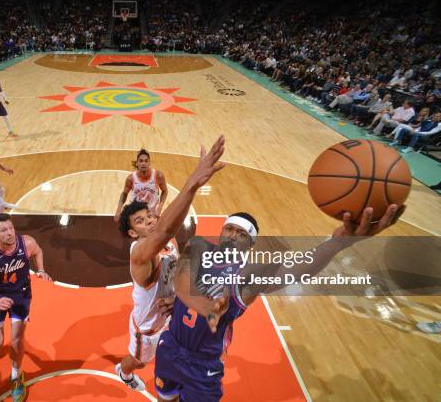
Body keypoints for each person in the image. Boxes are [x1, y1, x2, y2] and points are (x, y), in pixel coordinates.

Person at [154, 204, 404, 401]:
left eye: (242, 235)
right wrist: (176, 297)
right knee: (165, 397)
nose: (233, 236)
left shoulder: (248, 274)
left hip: (202, 365)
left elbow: (295, 269)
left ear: (249, 245)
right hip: (170, 346)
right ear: (221, 231)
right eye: (230, 229)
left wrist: (336, 243)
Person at [115, 136, 226, 391]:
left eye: (149, 216)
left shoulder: (168, 242)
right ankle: (123, 371)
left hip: (170, 315)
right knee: (139, 362)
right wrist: (193, 184)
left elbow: (171, 232)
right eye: (140, 221)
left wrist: (178, 296)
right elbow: (164, 231)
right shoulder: (140, 254)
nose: (150, 220)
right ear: (132, 233)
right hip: (147, 326)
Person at [0, 213, 52, 402]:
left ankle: (16, 376)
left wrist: (40, 270)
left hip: (21, 294)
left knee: (17, 339)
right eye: (3, 230)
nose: (9, 233)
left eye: (11, 228)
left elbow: (39, 251)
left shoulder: (27, 243)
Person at [114, 149, 168, 222]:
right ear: (137, 163)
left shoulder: (158, 175)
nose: (143, 163)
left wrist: (160, 207)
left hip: (151, 214)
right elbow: (124, 193)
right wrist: (118, 210)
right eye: (141, 161)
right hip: (135, 212)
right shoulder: (131, 178)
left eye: (146, 161)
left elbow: (165, 191)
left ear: (149, 163)